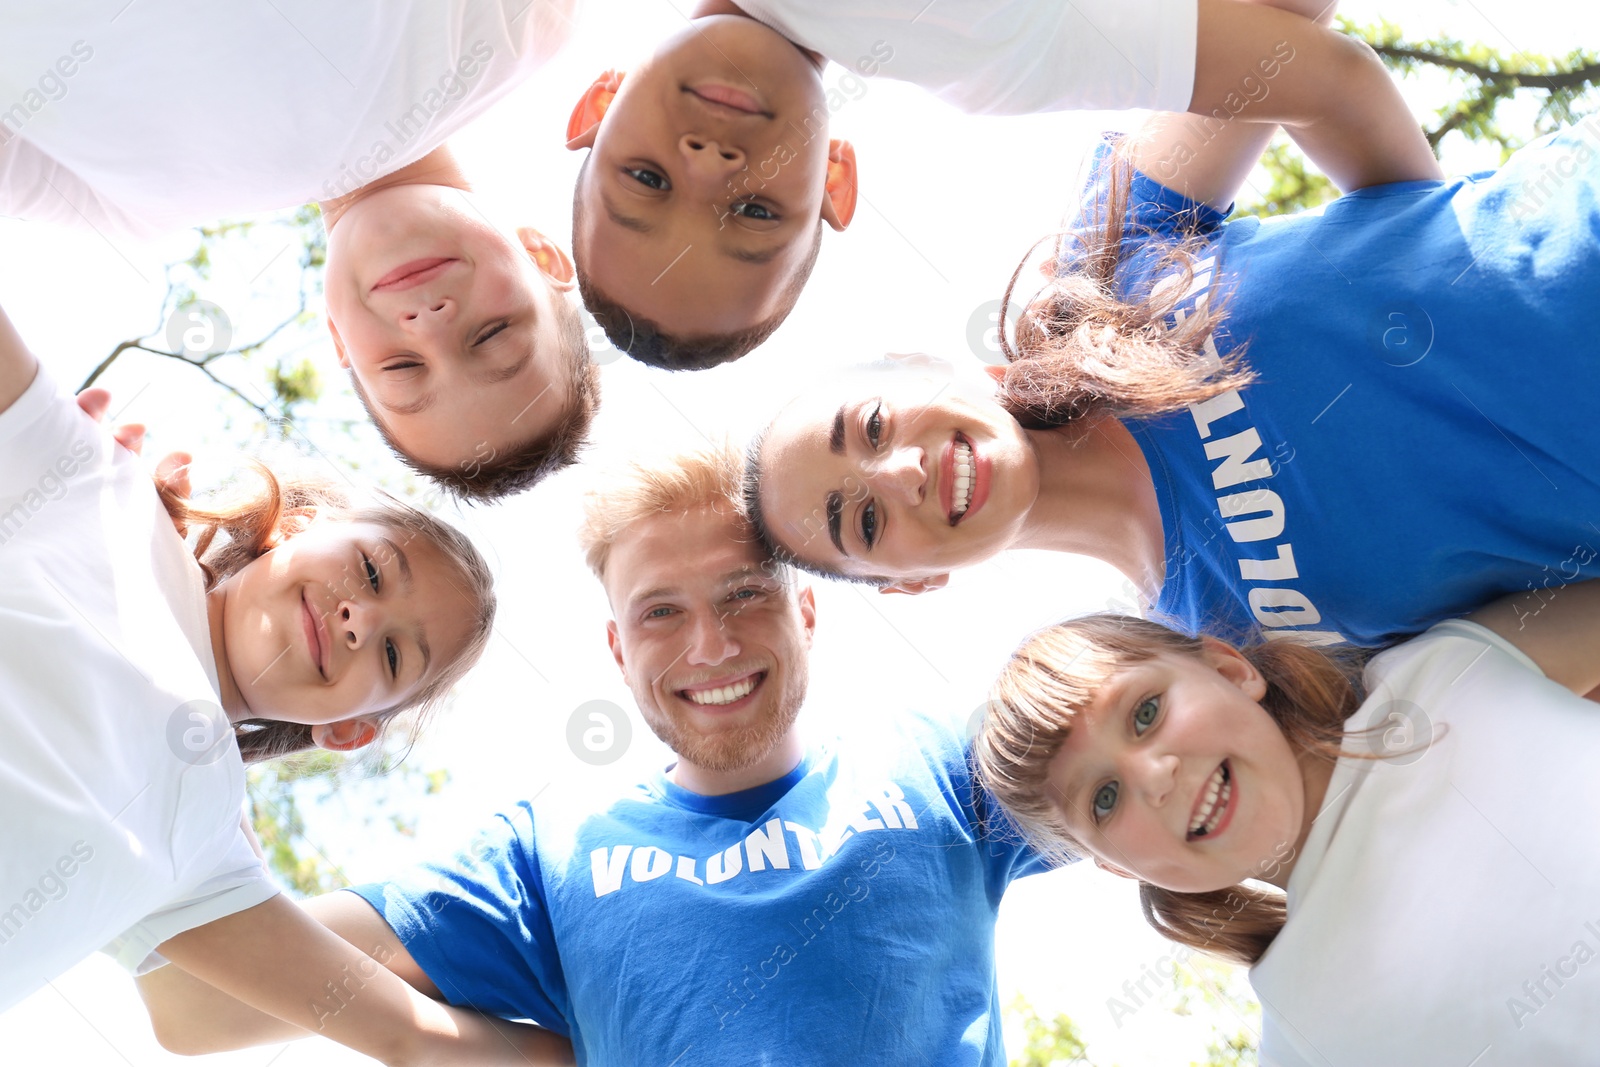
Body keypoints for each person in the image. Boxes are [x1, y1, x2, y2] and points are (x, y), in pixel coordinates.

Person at [133, 443, 1049, 1065]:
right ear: (619, 650)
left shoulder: (938, 763)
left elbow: (1173, 742)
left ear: (807, 612)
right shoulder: (550, 853)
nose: (711, 646)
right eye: (660, 612)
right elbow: (191, 999)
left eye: (743, 595)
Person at [745, 65, 1600, 648]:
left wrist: (1425, 244)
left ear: (912, 363)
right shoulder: (1221, 646)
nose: (898, 474)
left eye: (870, 425)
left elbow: (1303, 63)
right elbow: (1516, 648)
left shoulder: (1101, 263)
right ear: (913, 584)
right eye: (862, 522)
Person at [0, 303, 580, 1067]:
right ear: (302, 525)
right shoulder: (101, 489)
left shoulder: (206, 838)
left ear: (349, 729)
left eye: (396, 655)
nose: (358, 618)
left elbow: (416, 1037)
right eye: (372, 570)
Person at [566, 0, 1434, 370]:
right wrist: (1439, 285)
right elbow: (1310, 64)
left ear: (596, 105)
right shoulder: (992, 58)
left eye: (645, 178)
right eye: (754, 210)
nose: (710, 165)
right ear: (834, 178)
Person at [970, 571, 1600, 1063]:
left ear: (1228, 669)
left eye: (1145, 713)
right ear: (1114, 866)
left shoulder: (1444, 672)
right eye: (1104, 798)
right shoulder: (1304, 1041)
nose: (1154, 777)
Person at [1, 1, 597, 499]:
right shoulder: (520, 31)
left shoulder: (122, 210)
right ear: (543, 256)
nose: (431, 326)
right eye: (491, 335)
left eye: (402, 366)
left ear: (338, 339)